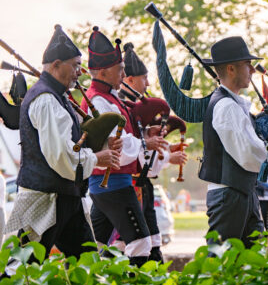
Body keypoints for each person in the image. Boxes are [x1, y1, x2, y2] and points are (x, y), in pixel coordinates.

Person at [4, 25, 120, 264]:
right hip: (43, 199)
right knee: (22, 269)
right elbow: (60, 156)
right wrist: (98, 158)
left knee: (87, 265)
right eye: (75, 65)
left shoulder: (58, 97)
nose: (79, 72)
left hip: (66, 196)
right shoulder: (46, 99)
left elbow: (75, 141)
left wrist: (100, 143)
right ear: (56, 65)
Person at [198, 36, 268, 247]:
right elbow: (248, 154)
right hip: (229, 196)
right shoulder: (227, 107)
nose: (252, 70)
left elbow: (252, 138)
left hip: (241, 191)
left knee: (254, 258)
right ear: (231, 69)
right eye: (247, 64)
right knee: (221, 260)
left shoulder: (235, 105)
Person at [83, 27, 167, 266]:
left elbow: (125, 133)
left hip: (109, 184)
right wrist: (144, 142)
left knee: (96, 244)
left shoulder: (108, 97)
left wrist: (145, 134)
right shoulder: (97, 99)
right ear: (101, 71)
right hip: (112, 183)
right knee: (141, 242)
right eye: (119, 69)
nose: (122, 73)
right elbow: (115, 141)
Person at [118, 42, 187, 262]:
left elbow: (143, 144)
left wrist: (158, 142)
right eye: (143, 79)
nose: (147, 84)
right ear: (129, 80)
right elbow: (135, 153)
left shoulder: (133, 107)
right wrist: (168, 157)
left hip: (140, 187)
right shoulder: (122, 107)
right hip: (127, 186)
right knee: (132, 248)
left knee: (150, 248)